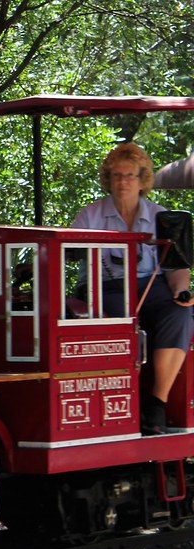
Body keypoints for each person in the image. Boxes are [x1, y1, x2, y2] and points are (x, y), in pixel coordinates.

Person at [71, 142, 194, 435]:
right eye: (116, 175)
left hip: (151, 286)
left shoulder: (160, 216)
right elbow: (69, 251)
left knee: (179, 316)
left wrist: (182, 291)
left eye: (129, 175)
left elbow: (176, 266)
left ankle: (157, 404)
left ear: (142, 181)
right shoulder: (89, 215)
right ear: (108, 179)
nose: (122, 181)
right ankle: (122, 405)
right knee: (120, 320)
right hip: (105, 288)